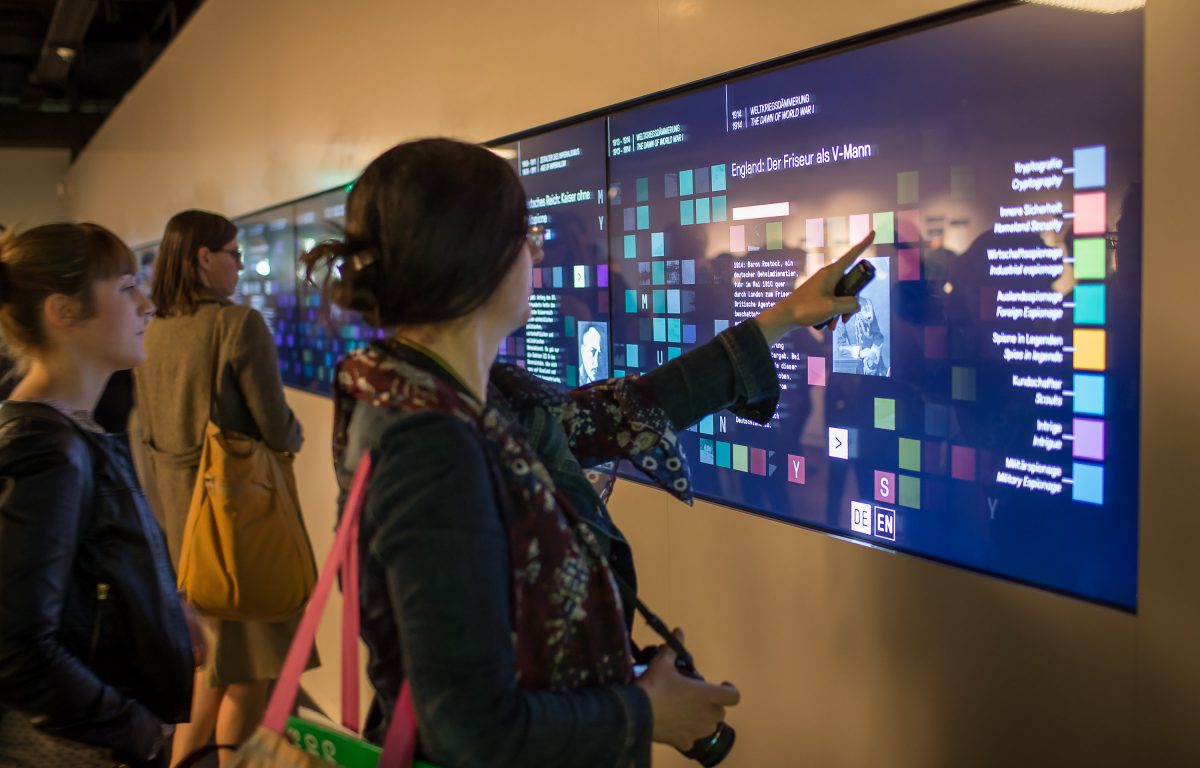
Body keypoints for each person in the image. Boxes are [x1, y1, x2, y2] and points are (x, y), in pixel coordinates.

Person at [306, 138, 871, 767]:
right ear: (474, 254)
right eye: (526, 234)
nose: (537, 253)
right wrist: (647, 713)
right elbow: (468, 730)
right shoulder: (429, 442)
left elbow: (622, 411)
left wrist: (787, 315)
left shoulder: (443, 395)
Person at [0, 222, 198, 767]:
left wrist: (163, 614)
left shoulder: (66, 432)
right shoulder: (45, 451)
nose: (147, 303)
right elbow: (17, 646)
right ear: (63, 312)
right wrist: (133, 728)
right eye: (126, 287)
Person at [131, 210, 307, 764]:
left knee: (212, 668)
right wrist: (295, 435)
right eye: (233, 253)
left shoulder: (152, 329)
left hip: (182, 528)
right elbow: (276, 426)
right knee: (251, 673)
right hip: (239, 526)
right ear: (203, 258)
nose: (239, 264)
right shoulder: (239, 325)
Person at [834, 296, 886, 375]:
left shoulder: (867, 303)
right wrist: (860, 352)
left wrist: (873, 353)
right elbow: (839, 347)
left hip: (875, 362)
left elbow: (878, 336)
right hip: (856, 366)